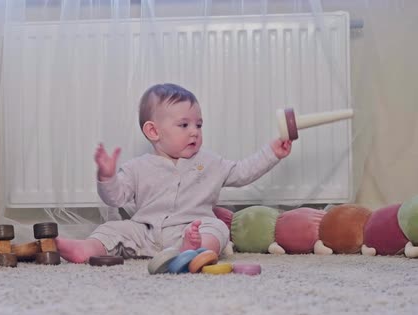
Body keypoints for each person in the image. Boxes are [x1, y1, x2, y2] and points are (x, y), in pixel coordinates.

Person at [56, 83, 292, 263]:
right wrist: (106, 177)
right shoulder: (138, 167)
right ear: (153, 131)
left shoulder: (209, 162)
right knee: (113, 229)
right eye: (184, 125)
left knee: (217, 227)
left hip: (191, 230)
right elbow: (115, 198)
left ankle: (194, 253)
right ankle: (87, 249)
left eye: (198, 125)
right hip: (146, 233)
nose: (194, 132)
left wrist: (271, 153)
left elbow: (242, 172)